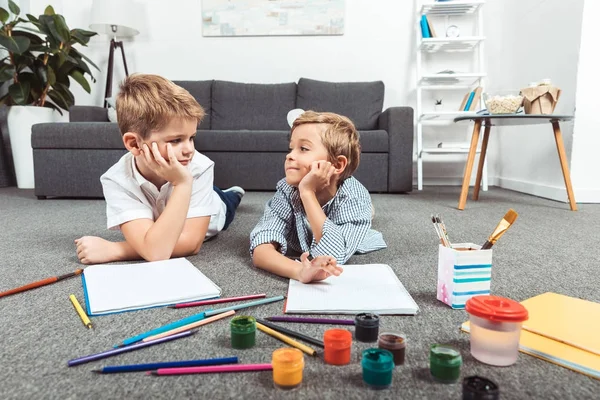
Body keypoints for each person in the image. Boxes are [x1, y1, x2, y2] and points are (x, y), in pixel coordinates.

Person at [75, 74, 244, 264]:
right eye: (175, 140)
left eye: (192, 137)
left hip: (215, 208)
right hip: (169, 211)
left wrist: (116, 249)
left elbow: (186, 245)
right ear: (134, 144)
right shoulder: (116, 179)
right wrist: (148, 244)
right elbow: (156, 249)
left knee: (225, 202)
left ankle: (232, 195)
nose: (189, 149)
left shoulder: (199, 167)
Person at [249, 110, 386, 283]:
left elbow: (334, 256)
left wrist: (307, 193)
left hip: (345, 204)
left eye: (303, 149)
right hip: (316, 211)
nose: (289, 155)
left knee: (363, 213)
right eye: (291, 148)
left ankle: (370, 211)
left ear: (337, 164)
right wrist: (300, 271)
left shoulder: (355, 198)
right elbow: (261, 250)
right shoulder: (286, 189)